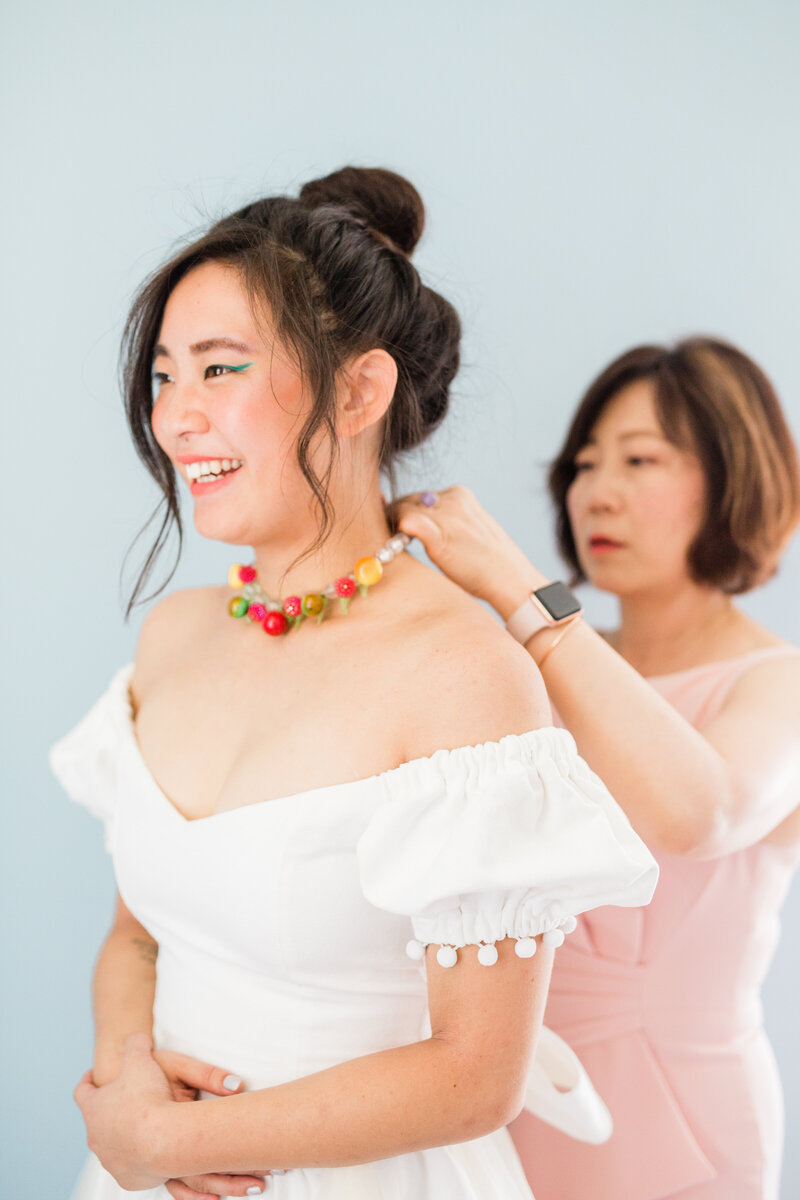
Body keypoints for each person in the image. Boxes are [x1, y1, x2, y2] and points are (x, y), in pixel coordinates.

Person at [49, 168, 658, 1200]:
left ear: (358, 391)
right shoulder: (174, 636)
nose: (175, 417)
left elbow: (475, 1078)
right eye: (163, 376)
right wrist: (129, 1087)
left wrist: (171, 1148)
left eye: (219, 369)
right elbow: (135, 936)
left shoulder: (464, 677)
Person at [392, 336, 800, 1200]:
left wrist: (517, 587)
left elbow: (704, 812)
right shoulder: (535, 662)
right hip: (496, 1101)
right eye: (583, 464)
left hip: (677, 1126)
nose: (597, 491)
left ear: (737, 478)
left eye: (640, 459)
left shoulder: (780, 682)